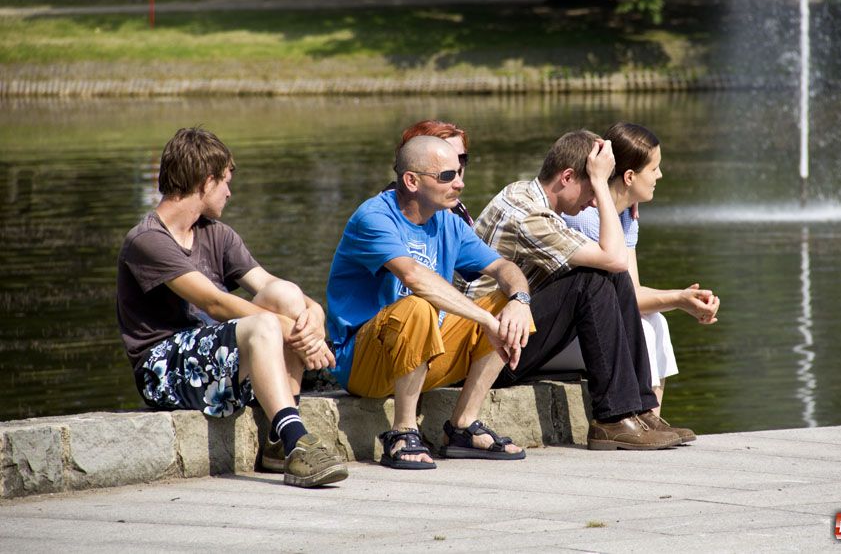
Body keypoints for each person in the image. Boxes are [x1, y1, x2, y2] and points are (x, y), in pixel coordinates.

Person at [116, 127, 347, 488]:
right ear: (206, 182)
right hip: (165, 371)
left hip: (219, 358)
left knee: (286, 294)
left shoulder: (216, 234)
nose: (229, 191)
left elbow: (271, 286)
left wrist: (313, 316)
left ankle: (276, 441)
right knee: (265, 324)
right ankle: (295, 440)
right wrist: (297, 335)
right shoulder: (146, 240)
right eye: (225, 181)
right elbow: (215, 302)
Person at [466, 130, 687, 450]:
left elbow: (616, 265)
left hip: (508, 335)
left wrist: (622, 206)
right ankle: (613, 417)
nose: (595, 202)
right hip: (486, 351)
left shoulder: (531, 198)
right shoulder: (531, 216)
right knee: (593, 280)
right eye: (592, 187)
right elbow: (614, 258)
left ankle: (639, 409)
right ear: (568, 177)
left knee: (611, 278)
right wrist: (606, 193)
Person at [326, 135, 534, 470]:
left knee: (505, 305)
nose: (460, 183)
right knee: (418, 305)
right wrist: (485, 321)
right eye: (447, 176)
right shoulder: (374, 217)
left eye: (460, 173)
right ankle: (403, 432)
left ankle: (463, 427)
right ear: (411, 181)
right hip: (363, 363)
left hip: (423, 351)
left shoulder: (448, 222)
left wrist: (520, 300)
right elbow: (413, 278)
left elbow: (504, 267)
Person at [556, 122, 720, 421]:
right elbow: (625, 297)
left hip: (587, 331)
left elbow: (630, 290)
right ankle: (641, 417)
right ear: (629, 176)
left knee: (657, 322)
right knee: (645, 326)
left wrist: (685, 298)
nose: (660, 175)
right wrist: (680, 300)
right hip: (562, 335)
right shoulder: (589, 219)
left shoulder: (625, 217)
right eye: (654, 168)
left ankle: (651, 419)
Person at [383, 120, 473, 226]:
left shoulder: (453, 204)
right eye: (446, 158)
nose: (456, 165)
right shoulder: (390, 211)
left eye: (461, 158)